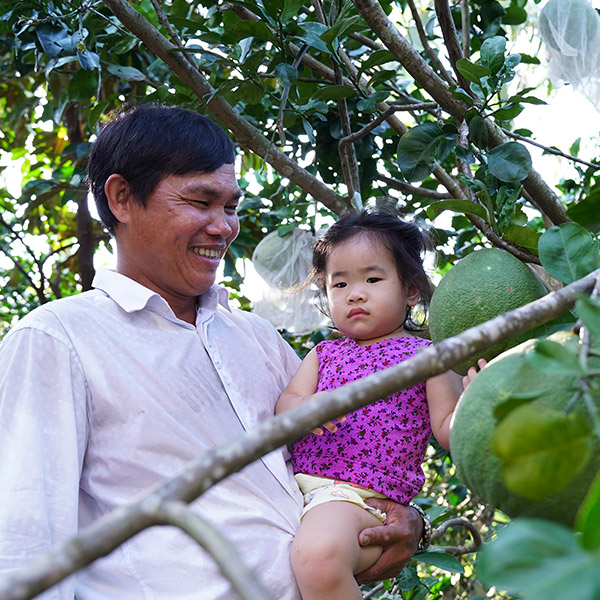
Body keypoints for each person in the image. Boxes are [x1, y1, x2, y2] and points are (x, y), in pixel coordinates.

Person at [0, 104, 427, 600]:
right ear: (121, 197)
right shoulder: (57, 339)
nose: (223, 227)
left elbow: (343, 454)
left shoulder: (256, 337)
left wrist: (408, 522)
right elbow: (23, 544)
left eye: (229, 207)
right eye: (200, 201)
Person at [276, 212, 479, 600]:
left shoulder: (429, 358)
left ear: (411, 291)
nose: (355, 293)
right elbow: (285, 408)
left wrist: (478, 397)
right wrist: (309, 406)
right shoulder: (323, 354)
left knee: (318, 557)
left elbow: (451, 429)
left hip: (359, 499)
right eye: (340, 283)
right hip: (298, 492)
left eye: (372, 279)